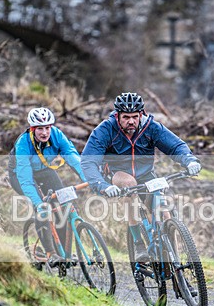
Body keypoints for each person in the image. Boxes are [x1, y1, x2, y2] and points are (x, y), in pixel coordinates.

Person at [81, 91, 201, 262]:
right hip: (117, 174)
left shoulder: (151, 127)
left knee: (165, 214)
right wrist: (102, 185)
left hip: (146, 174)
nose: (131, 121)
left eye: (135, 117)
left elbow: (175, 146)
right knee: (130, 185)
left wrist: (188, 160)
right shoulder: (105, 130)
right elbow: (88, 162)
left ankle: (174, 264)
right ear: (117, 116)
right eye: (126, 117)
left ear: (141, 114)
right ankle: (138, 243)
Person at [8, 107, 86, 265]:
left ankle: (65, 253)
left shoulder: (57, 135)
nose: (44, 133)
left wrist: (90, 179)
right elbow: (26, 180)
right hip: (20, 175)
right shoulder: (23, 143)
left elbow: (73, 157)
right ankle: (51, 253)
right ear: (32, 128)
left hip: (44, 170)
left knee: (62, 205)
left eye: (47, 128)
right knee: (43, 208)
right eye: (40, 129)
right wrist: (38, 204)